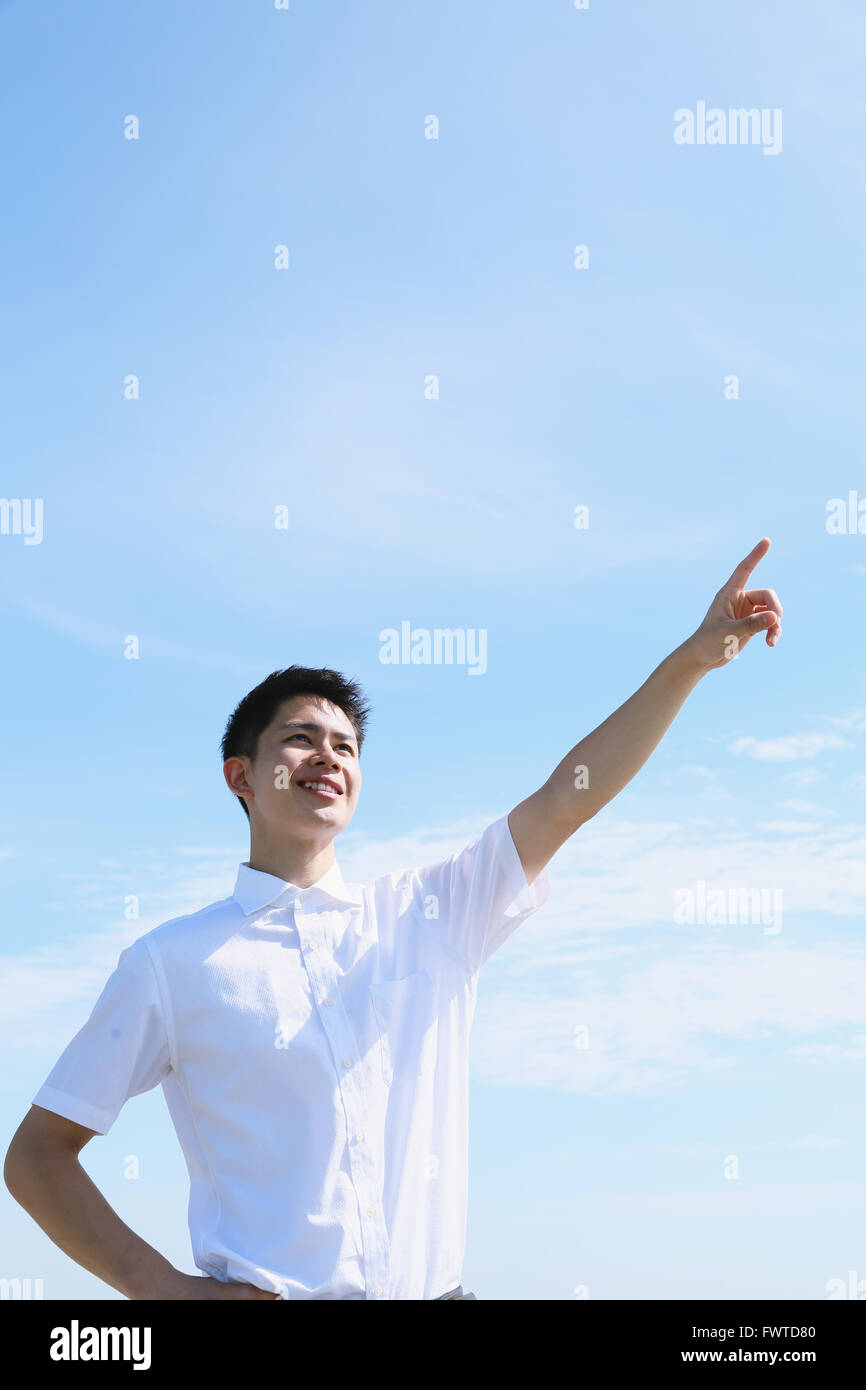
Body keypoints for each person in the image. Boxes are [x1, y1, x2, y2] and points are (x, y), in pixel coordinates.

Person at [3, 539, 782, 1300]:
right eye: (301, 738)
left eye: (345, 745)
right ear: (241, 775)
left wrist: (692, 662)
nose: (328, 757)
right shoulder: (171, 963)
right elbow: (38, 1156)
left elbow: (566, 799)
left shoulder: (434, 911)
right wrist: (163, 1289)